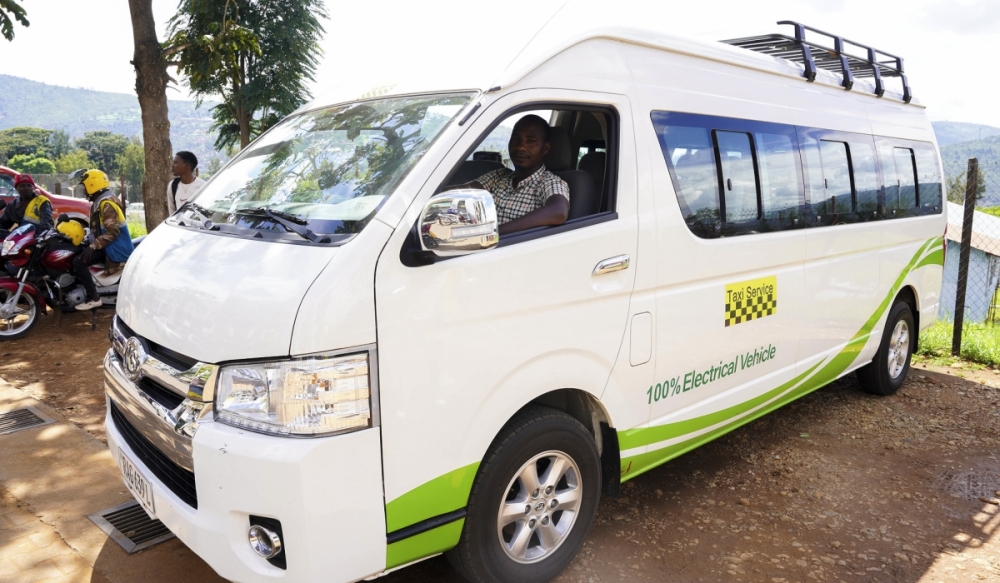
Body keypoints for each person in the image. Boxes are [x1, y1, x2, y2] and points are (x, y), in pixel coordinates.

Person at [452, 115, 570, 236]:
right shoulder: (498, 175)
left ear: (545, 148)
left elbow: (558, 211)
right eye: (515, 139)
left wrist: (493, 233)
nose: (520, 147)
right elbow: (460, 192)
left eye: (531, 141)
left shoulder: (549, 182)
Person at [73, 169, 135, 311]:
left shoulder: (105, 204)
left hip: (115, 248)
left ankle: (93, 298)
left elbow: (113, 231)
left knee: (78, 262)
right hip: (109, 246)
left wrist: (93, 246)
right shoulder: (103, 201)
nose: (83, 190)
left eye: (85, 186)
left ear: (92, 185)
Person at [0, 174, 53, 239]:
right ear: (16, 188)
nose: (26, 188)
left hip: (37, 238)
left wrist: (41, 237)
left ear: (33, 187)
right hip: (19, 238)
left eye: (29, 185)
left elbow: (47, 224)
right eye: (22, 186)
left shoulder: (42, 201)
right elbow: (3, 223)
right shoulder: (13, 205)